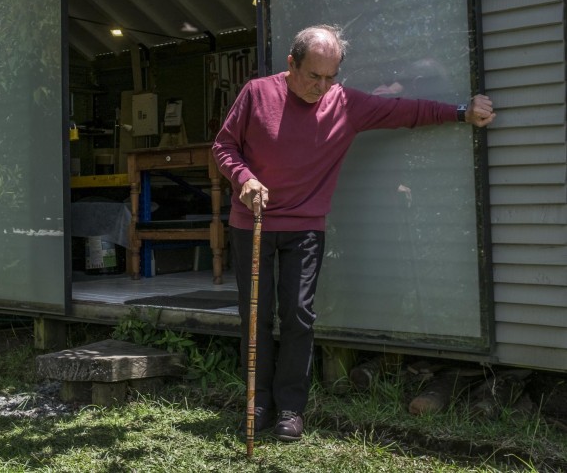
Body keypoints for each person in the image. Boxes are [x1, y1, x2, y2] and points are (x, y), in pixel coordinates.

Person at [212, 24, 495, 442]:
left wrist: (461, 112)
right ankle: (257, 404)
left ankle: (290, 408)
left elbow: (406, 112)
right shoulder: (256, 93)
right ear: (292, 64)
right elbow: (223, 146)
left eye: (331, 78)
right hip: (251, 221)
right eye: (313, 76)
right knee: (255, 315)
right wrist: (244, 178)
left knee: (298, 316)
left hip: (305, 227)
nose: (322, 87)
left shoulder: (344, 104)